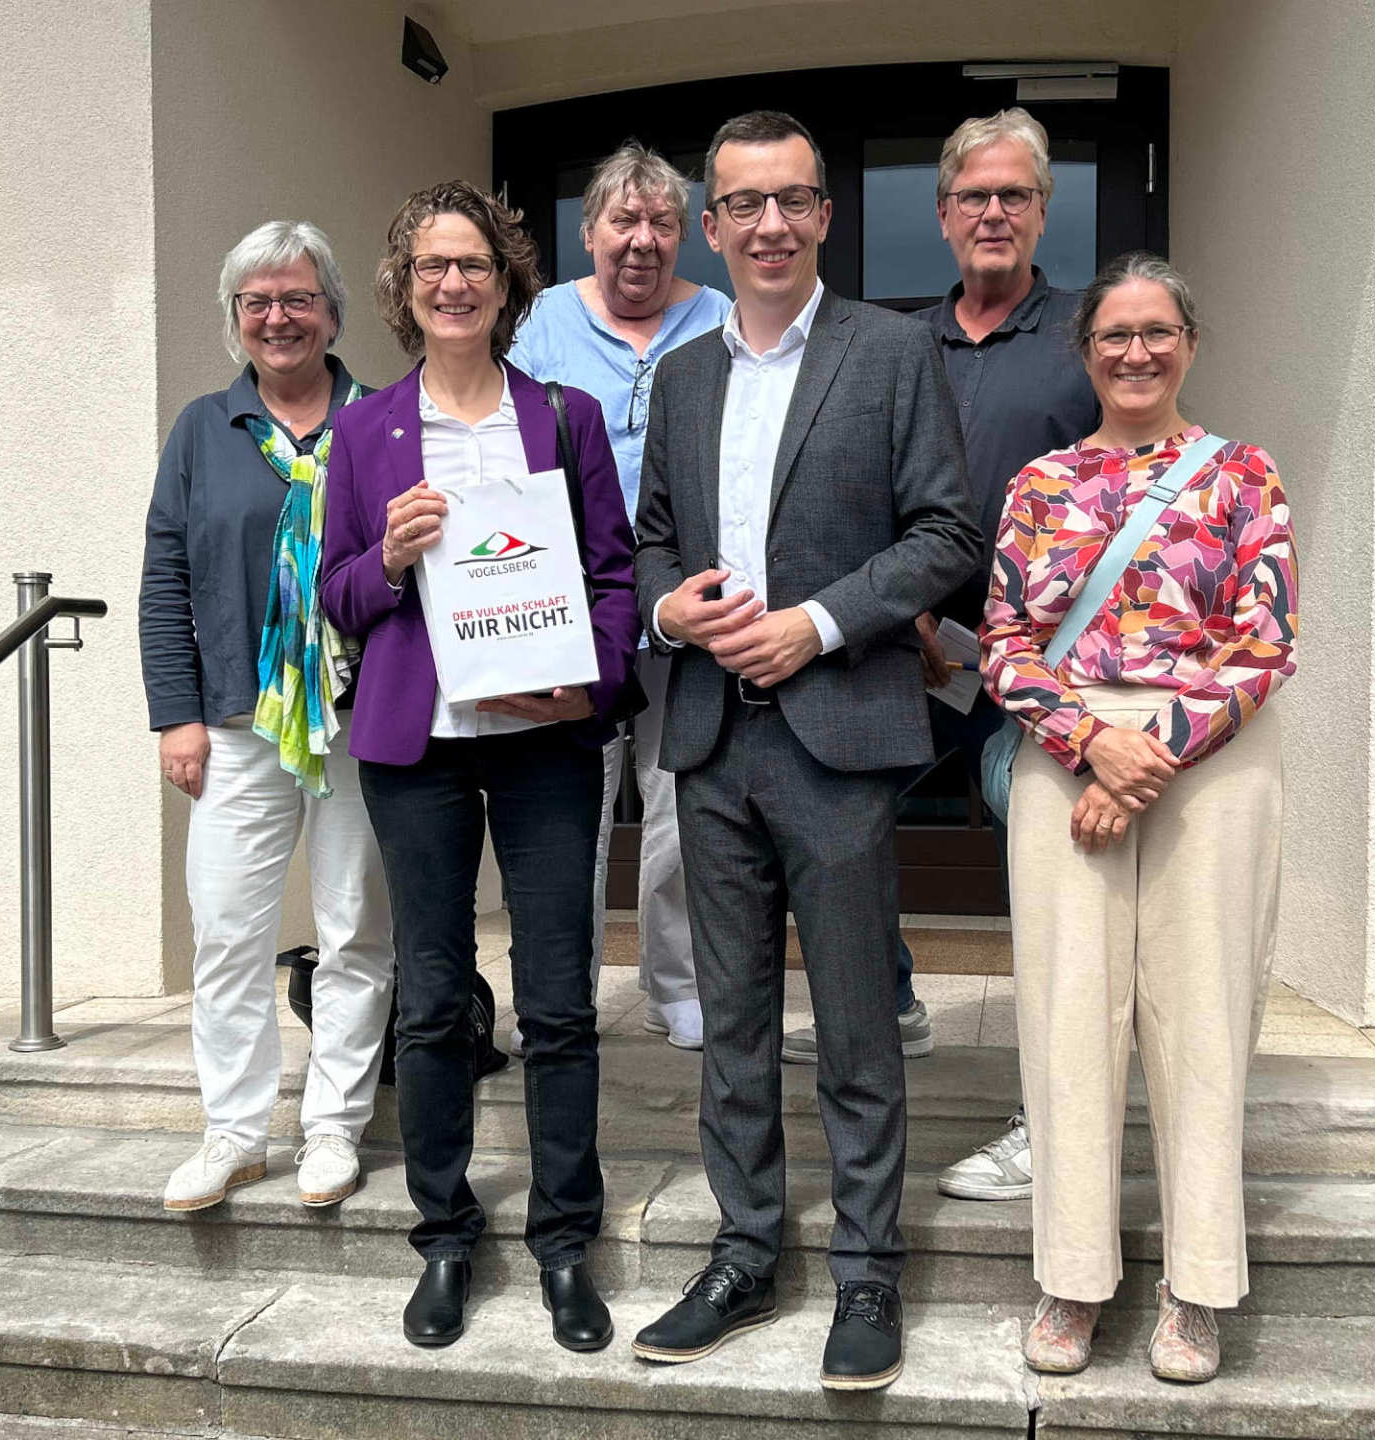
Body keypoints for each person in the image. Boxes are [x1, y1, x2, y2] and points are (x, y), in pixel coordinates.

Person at [629, 111, 981, 1392]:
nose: (768, 224)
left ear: (827, 215)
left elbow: (948, 536)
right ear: (710, 227)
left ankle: (870, 1269)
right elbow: (652, 542)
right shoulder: (680, 375)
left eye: (792, 200)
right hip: (712, 740)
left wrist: (817, 624)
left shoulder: (888, 353)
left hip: (836, 736)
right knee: (731, 1022)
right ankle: (744, 1253)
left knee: (854, 1026)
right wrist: (674, 610)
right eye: (743, 205)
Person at [318, 182, 641, 1354]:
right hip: (422, 751)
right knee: (437, 1002)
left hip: (548, 748)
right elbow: (336, 597)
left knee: (559, 1004)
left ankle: (565, 1243)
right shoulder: (364, 432)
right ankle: (445, 1236)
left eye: (474, 265)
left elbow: (614, 581)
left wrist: (593, 683)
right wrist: (389, 558)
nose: (453, 284)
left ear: (507, 285)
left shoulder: (564, 417)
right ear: (405, 290)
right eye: (430, 267)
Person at [982, 253, 1296, 1381]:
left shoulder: (1243, 476)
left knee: (1200, 1019)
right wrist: (1091, 747)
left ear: (1190, 344)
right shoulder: (1041, 484)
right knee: (1070, 1020)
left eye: (1158, 331)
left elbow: (1266, 638)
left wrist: (1145, 756)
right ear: (1086, 352)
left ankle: (1198, 1288)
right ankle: (1072, 1278)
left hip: (1207, 758)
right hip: (1069, 749)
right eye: (1114, 334)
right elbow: (1007, 643)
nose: (1136, 352)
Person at [780, 108, 1098, 1102]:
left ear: (1043, 211)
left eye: (1015, 195)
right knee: (848, 824)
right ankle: (888, 1005)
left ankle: (1056, 1073)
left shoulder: (1087, 339)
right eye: (975, 196)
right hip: (909, 646)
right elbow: (858, 487)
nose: (994, 212)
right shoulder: (889, 342)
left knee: (1045, 852)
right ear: (943, 213)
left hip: (1044, 660)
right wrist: (900, 604)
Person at [139, 220, 394, 1217]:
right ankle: (237, 1133)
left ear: (330, 311)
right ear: (236, 320)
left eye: (296, 298)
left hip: (357, 719)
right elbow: (165, 576)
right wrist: (178, 715)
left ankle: (333, 1130)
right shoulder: (204, 429)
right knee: (229, 935)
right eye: (257, 302)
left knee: (354, 930)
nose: (278, 318)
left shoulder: (380, 421)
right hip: (238, 727)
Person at [510, 141, 730, 1052]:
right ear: (588, 230)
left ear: (686, 233)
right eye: (623, 222)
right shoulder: (544, 320)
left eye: (663, 223)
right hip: (574, 594)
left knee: (678, 796)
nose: (642, 242)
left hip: (684, 593)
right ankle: (565, 990)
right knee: (573, 802)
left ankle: (676, 986)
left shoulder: (718, 315)